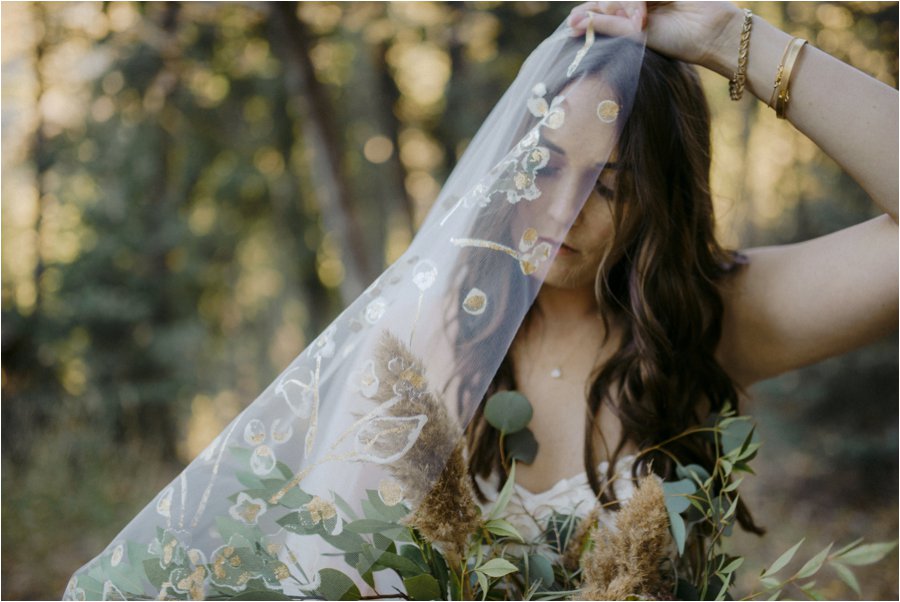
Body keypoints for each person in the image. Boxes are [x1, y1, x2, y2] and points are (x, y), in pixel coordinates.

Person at [65, 3, 896, 600]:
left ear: (661, 198)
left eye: (607, 185)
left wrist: (731, 39)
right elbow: (326, 575)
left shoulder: (713, 314)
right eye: (543, 167)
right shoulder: (429, 330)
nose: (561, 209)